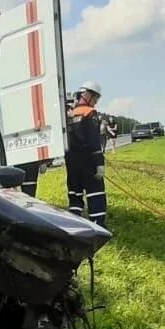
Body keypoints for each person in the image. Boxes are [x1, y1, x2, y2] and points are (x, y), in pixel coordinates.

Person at [65, 81, 107, 228]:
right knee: (96, 194)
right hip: (88, 161)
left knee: (75, 196)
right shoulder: (90, 113)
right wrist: (99, 163)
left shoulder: (69, 115)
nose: (96, 102)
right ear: (87, 95)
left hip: (71, 162)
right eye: (95, 98)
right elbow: (94, 141)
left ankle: (74, 226)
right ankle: (98, 227)